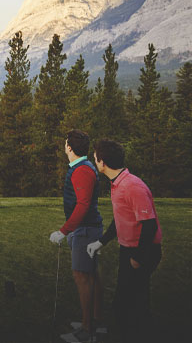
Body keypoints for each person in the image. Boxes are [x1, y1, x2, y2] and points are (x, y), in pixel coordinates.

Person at [87, 139, 162, 343]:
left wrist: (138, 257)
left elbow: (149, 225)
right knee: (134, 302)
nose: (94, 161)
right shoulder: (117, 183)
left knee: (126, 305)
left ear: (102, 162)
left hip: (143, 251)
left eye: (95, 158)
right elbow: (120, 220)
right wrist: (100, 242)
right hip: (129, 250)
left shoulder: (132, 186)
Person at [49, 129, 104, 342]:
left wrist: (64, 231)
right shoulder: (83, 167)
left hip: (85, 230)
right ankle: (94, 321)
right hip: (87, 228)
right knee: (92, 275)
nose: (64, 146)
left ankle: (87, 330)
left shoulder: (82, 170)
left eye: (65, 143)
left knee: (83, 277)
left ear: (69, 148)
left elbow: (82, 205)